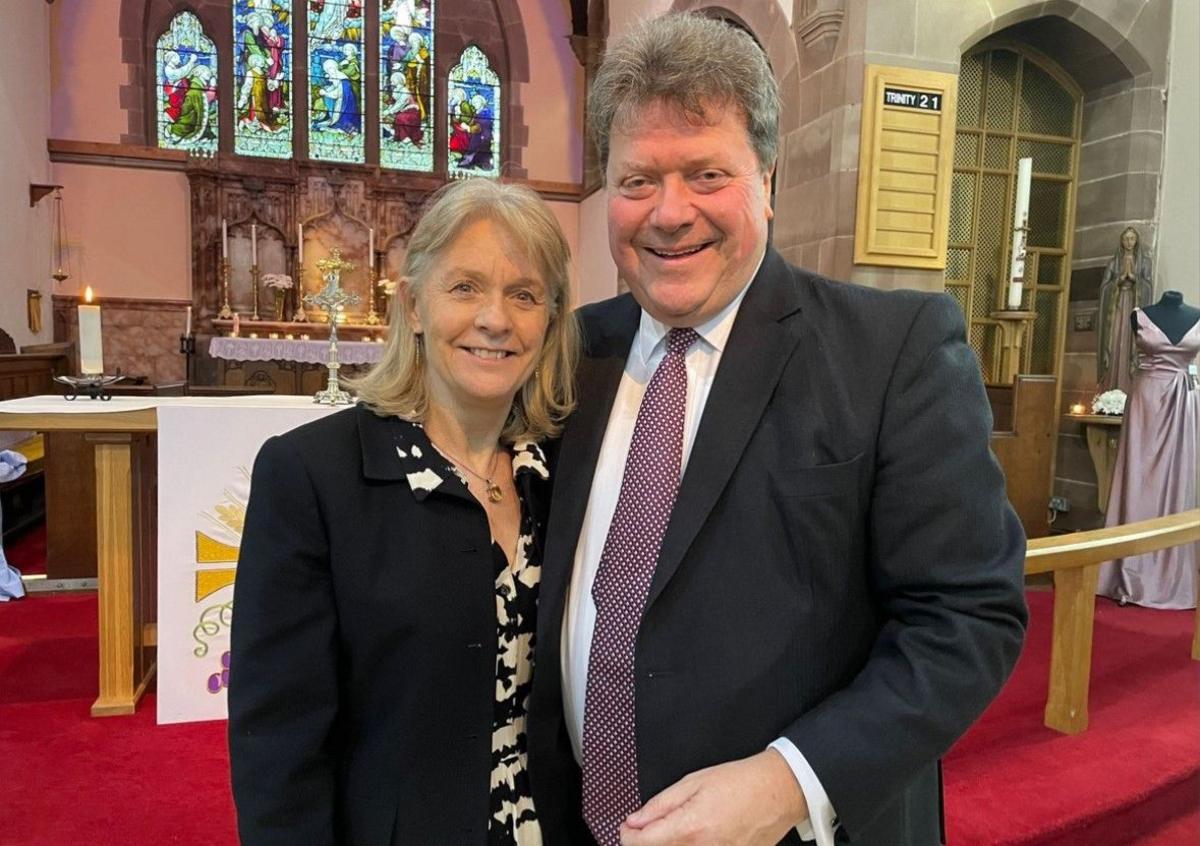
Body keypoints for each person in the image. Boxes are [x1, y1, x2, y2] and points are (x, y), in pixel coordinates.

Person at [525, 13, 1028, 846]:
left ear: (769, 180)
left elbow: (967, 616)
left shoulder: (891, 351)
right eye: (638, 180)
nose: (669, 213)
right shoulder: (575, 352)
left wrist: (793, 780)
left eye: (707, 173)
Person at [228, 178, 580, 844]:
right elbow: (279, 738)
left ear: (550, 322)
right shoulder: (312, 476)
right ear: (414, 306)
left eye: (525, 295)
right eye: (465, 287)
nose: (496, 319)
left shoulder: (562, 470)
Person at [1097, 226, 1153, 394]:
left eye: (1132, 239)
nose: (1129, 242)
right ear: (1121, 241)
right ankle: (1111, 387)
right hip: (1116, 308)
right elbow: (1104, 287)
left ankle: (1128, 388)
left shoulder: (1144, 262)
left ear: (1136, 241)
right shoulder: (1114, 262)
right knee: (1114, 340)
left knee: (1130, 341)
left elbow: (1148, 285)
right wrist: (1119, 280)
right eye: (1126, 239)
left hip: (1134, 306)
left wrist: (1135, 279)